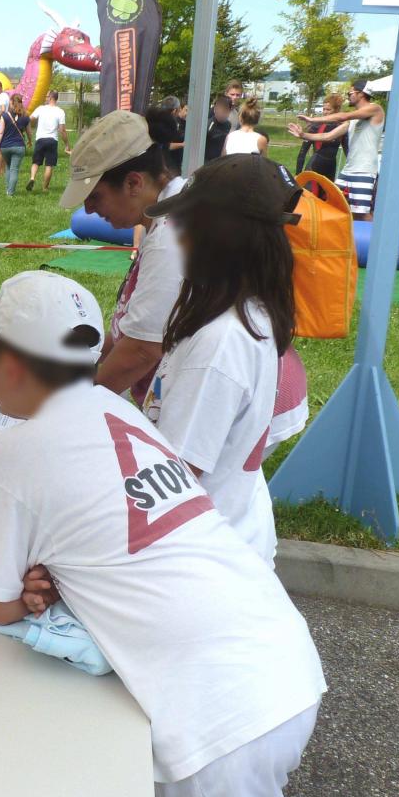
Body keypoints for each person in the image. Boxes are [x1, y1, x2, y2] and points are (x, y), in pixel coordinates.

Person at [0, 270, 325, 797]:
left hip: (214, 723)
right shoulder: (119, 409)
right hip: (284, 662)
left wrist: (38, 581)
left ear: (7, 365)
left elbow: (1, 604)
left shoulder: (16, 449)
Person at [140, 154, 303, 564]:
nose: (175, 236)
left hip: (202, 559)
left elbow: (172, 487)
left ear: (220, 236)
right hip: (229, 536)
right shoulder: (252, 314)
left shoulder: (219, 345)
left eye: (183, 224)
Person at [59, 111, 183, 405]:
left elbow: (143, 349)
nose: (88, 210)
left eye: (95, 196)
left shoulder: (170, 238)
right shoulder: (163, 215)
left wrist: (73, 405)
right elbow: (137, 324)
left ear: (134, 184)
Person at [289, 80, 385, 221]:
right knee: (338, 207)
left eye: (350, 93)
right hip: (347, 171)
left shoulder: (375, 108)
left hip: (364, 171)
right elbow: (327, 136)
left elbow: (343, 116)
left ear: (360, 94)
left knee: (362, 214)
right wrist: (303, 135)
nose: (348, 96)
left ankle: (376, 242)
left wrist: (313, 119)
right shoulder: (354, 119)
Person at [27, 91, 69, 192]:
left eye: (46, 96)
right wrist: (67, 144)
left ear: (51, 98)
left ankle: (32, 178)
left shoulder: (41, 109)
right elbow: (62, 130)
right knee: (49, 165)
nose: (45, 98)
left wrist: (30, 126)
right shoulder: (60, 112)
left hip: (40, 139)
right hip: (52, 140)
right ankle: (45, 188)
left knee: (36, 162)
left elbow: (30, 118)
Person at [294, 94, 343, 181]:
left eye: (328, 109)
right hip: (315, 166)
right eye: (323, 109)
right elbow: (302, 152)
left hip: (331, 168)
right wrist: (298, 174)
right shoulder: (316, 126)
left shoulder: (341, 126)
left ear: (336, 110)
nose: (325, 112)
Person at [0, 93, 31, 197]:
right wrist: (30, 141)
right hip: (19, 147)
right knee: (14, 169)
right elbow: (29, 132)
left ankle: (8, 189)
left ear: (11, 102)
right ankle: (10, 193)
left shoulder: (5, 116)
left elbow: (1, 132)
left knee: (8, 167)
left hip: (5, 147)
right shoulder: (25, 116)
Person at [146, 96, 185, 173]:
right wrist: (183, 144)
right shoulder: (167, 125)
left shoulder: (152, 121)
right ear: (174, 111)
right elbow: (165, 145)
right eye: (179, 108)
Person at [204, 95, 233, 163]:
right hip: (206, 161)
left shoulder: (228, 124)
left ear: (229, 111)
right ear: (215, 110)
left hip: (219, 161)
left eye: (224, 111)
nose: (221, 114)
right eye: (219, 110)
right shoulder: (208, 124)